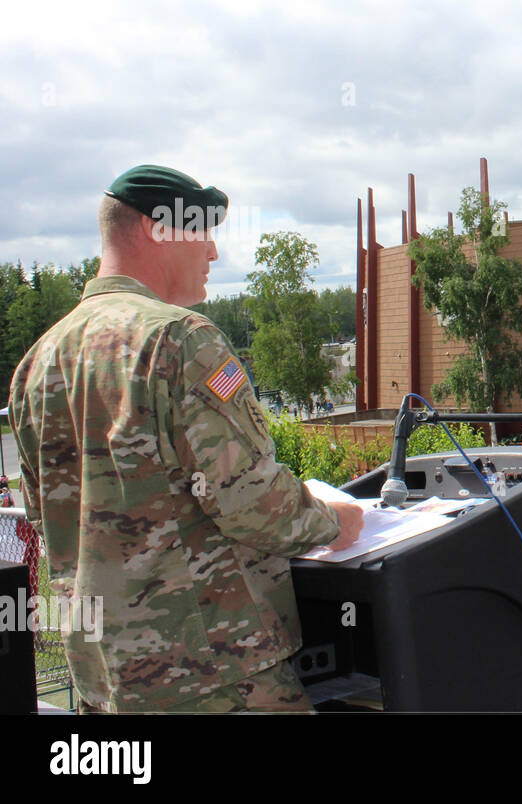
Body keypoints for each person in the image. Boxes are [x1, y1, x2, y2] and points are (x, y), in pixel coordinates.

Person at [7, 166, 364, 713]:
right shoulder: (181, 340)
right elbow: (250, 503)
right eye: (202, 231)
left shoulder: (37, 363)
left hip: (104, 684)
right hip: (211, 677)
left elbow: (44, 519)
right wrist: (338, 521)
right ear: (158, 229)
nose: (214, 252)